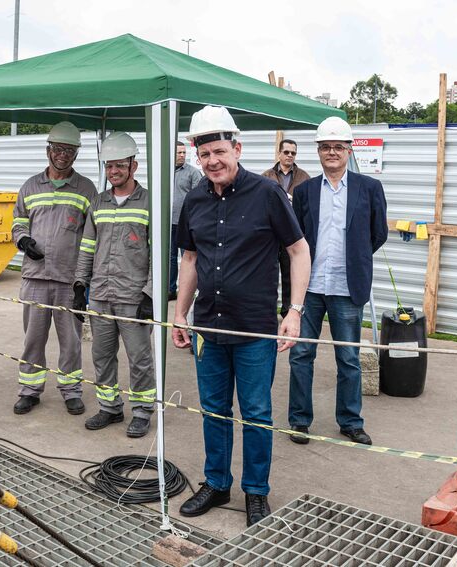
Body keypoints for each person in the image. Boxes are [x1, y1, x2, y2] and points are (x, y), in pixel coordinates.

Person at [172, 106, 311, 526]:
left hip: (254, 330)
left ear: (237, 147)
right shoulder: (195, 198)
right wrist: (180, 313)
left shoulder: (267, 194)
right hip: (208, 327)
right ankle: (216, 483)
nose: (212, 161)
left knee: (256, 413)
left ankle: (256, 492)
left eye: (219, 151)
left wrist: (295, 311)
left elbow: (298, 251)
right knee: (213, 409)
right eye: (204, 154)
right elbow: (190, 258)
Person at [288, 116, 388, 447]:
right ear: (318, 151)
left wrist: (355, 258)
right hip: (310, 287)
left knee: (348, 357)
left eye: (338, 147)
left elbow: (378, 234)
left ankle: (350, 422)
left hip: (348, 286)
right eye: (326, 147)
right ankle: (299, 421)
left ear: (349, 150)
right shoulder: (304, 191)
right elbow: (296, 238)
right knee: (302, 353)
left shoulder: (369, 189)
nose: (332, 152)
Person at [11, 121, 98, 416]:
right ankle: (29, 390)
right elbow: (19, 220)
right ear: (48, 149)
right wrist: (23, 241)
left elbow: (92, 236)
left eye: (69, 150)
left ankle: (71, 391)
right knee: (33, 338)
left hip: (68, 280)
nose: (63, 155)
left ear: (76, 154)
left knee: (71, 341)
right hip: (34, 277)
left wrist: (83, 282)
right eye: (58, 149)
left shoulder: (87, 189)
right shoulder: (30, 186)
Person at [74, 132, 155, 438]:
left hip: (133, 298)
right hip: (102, 296)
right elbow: (86, 248)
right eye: (109, 166)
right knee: (101, 356)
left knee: (140, 359)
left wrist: (150, 293)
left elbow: (159, 254)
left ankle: (142, 411)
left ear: (133, 165)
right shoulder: (99, 202)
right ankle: (110, 407)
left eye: (119, 165)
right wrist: (80, 286)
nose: (113, 172)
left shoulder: (149, 202)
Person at [263, 140, 311, 317]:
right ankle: (267, 310)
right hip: (270, 235)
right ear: (279, 153)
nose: (290, 155)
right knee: (268, 275)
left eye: (293, 153)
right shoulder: (266, 176)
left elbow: (309, 206)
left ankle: (288, 312)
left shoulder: (304, 177)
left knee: (291, 275)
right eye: (287, 152)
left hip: (292, 233)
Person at [169, 140, 202, 301]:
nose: (182, 155)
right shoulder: (165, 171)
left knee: (188, 258)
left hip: (186, 223)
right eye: (178, 152)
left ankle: (188, 291)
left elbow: (199, 198)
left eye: (184, 152)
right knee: (170, 258)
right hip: (168, 223)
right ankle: (170, 290)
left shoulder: (193, 173)